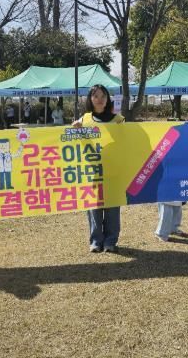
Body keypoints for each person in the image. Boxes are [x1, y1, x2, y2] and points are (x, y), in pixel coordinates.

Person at [72, 84, 125, 253]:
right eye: (96, 96)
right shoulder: (84, 119)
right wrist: (76, 129)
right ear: (90, 99)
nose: (100, 100)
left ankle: (110, 241)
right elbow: (76, 144)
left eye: (103, 96)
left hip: (114, 170)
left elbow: (127, 142)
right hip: (92, 171)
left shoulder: (118, 120)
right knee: (94, 207)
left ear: (108, 99)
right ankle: (96, 240)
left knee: (112, 207)